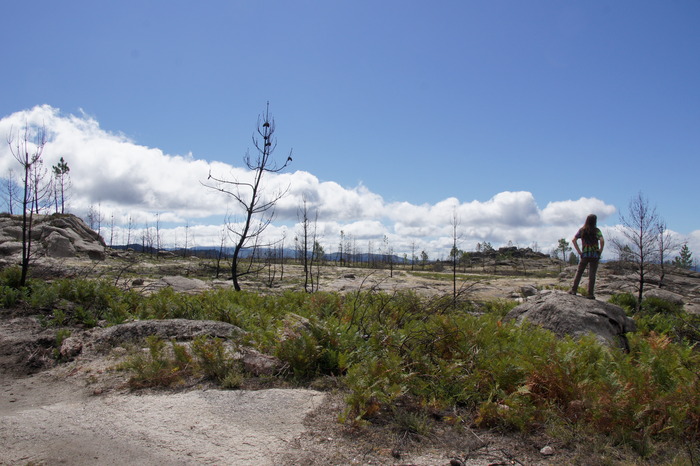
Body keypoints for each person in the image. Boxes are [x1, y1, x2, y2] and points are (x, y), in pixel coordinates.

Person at [570, 214, 604, 299]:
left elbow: (574, 240)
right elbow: (602, 240)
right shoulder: (596, 230)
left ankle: (573, 290)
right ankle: (590, 294)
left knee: (579, 273)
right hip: (594, 255)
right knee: (592, 275)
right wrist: (600, 251)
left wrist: (579, 252)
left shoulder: (582, 230)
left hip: (585, 255)